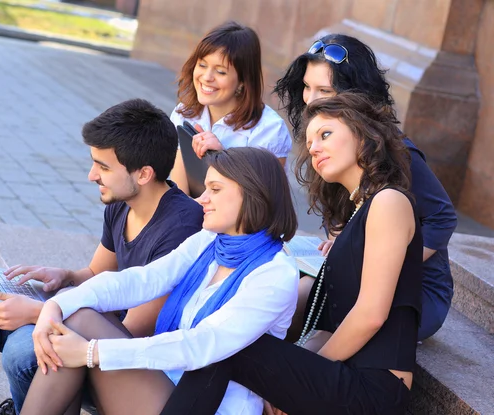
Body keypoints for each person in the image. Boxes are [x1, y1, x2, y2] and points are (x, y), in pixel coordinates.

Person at [0, 99, 204, 415]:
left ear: (143, 174)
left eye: (103, 167)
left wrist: (37, 312)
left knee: (20, 352)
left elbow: (133, 330)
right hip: (92, 329)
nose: (91, 176)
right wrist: (65, 276)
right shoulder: (122, 202)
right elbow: (95, 272)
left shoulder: (181, 227)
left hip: (121, 365)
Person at [161, 92, 422, 415]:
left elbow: (371, 315)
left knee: (227, 345)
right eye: (310, 142)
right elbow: (329, 322)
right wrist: (294, 376)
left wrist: (301, 376)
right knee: (227, 341)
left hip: (374, 388)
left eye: (325, 134)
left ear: (363, 135)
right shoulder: (359, 211)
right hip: (345, 374)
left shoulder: (389, 202)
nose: (313, 148)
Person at [19, 147, 299, 415]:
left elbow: (202, 343)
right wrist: (55, 306)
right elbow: (144, 280)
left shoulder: (275, 275)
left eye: (215, 189)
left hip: (208, 404)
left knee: (78, 332)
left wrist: (91, 352)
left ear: (253, 195)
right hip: (166, 380)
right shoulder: (211, 241)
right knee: (76, 317)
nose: (202, 199)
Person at [278, 34, 456, 342]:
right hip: (355, 274)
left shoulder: (401, 154)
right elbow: (342, 213)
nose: (311, 99)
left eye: (324, 89)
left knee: (305, 307)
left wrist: (375, 259)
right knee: (283, 299)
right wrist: (339, 240)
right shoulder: (327, 139)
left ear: (354, 93)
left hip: (417, 291)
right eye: (307, 87)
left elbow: (443, 218)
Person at [169, 20, 292, 195]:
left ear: (242, 81)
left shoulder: (269, 129)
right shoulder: (185, 113)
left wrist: (223, 157)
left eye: (220, 72)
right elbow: (179, 195)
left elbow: (265, 200)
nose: (207, 77)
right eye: (202, 65)